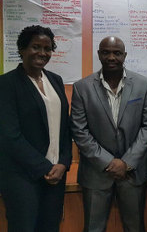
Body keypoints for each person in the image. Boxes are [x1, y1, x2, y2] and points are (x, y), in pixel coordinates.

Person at [71, 36, 147, 232]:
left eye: (117, 53)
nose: (111, 57)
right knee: (93, 228)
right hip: (96, 172)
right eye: (106, 52)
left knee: (135, 227)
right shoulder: (82, 87)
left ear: (124, 55)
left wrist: (126, 162)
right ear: (99, 54)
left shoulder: (144, 84)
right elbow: (79, 130)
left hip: (133, 172)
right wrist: (108, 162)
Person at [0, 25, 72, 231]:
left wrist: (64, 163)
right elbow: (9, 136)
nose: (42, 53)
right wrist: (44, 168)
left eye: (47, 48)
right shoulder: (6, 84)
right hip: (21, 177)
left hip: (55, 175)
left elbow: (65, 128)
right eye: (35, 47)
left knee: (50, 227)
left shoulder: (55, 81)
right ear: (22, 49)